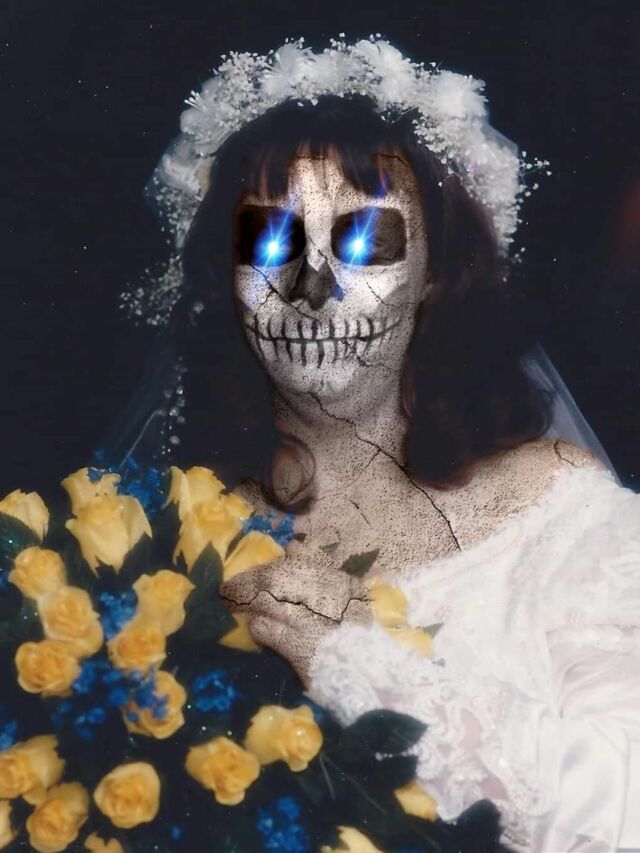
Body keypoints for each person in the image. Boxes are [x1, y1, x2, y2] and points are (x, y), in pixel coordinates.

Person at [108, 37, 639, 851]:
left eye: (365, 242)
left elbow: (622, 811)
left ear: (437, 272)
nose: (312, 288)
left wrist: (354, 654)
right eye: (272, 242)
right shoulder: (167, 539)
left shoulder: (565, 519)